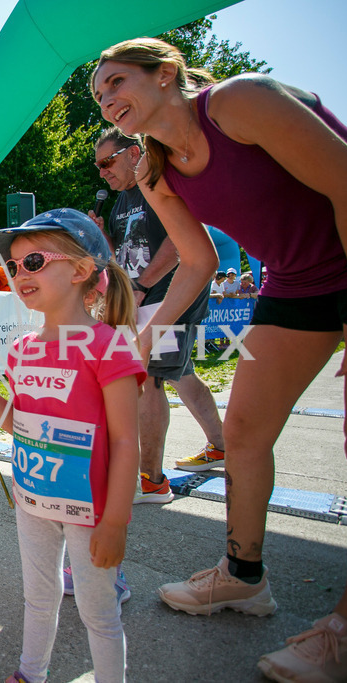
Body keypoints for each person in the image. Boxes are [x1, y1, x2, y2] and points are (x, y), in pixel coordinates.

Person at [93, 37, 347, 681]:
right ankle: (244, 576)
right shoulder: (154, 171)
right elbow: (198, 261)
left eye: (117, 81)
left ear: (165, 74)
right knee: (242, 432)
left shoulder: (239, 101)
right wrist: (140, 338)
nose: (106, 100)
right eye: (99, 95)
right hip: (296, 282)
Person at [0, 209, 143, 683]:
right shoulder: (21, 348)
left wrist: (115, 521)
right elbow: (20, 424)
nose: (19, 274)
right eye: (13, 266)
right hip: (32, 501)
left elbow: (126, 441)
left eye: (34, 261)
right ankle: (30, 673)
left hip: (90, 509)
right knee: (38, 596)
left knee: (99, 614)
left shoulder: (109, 346)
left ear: (80, 270)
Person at [90, 128, 226, 494]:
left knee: (148, 376)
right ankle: (221, 445)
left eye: (107, 162)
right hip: (143, 297)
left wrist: (141, 286)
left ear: (134, 153)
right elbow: (124, 254)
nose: (102, 172)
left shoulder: (159, 183)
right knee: (181, 374)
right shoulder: (121, 201)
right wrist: (104, 236)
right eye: (98, 166)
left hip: (168, 295)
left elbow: (180, 244)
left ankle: (151, 481)